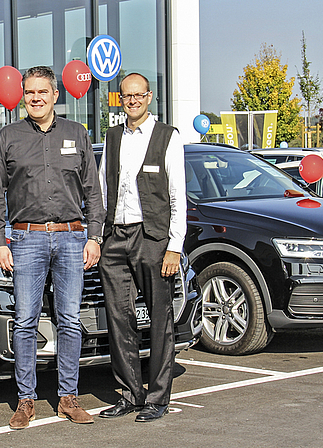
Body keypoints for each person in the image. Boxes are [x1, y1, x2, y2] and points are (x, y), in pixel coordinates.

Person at [0, 66, 105, 430]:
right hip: (25, 239)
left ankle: (68, 398)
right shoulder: (7, 137)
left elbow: (93, 192)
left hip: (71, 238)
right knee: (25, 322)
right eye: (30, 92)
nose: (36, 97)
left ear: (56, 95)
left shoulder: (77, 133)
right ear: (23, 96)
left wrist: (94, 236)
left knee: (69, 320)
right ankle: (26, 400)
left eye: (43, 91)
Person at [97, 73, 186, 423]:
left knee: (160, 318)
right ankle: (130, 393)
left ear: (149, 97)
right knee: (120, 318)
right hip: (115, 238)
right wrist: (100, 235)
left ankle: (157, 397)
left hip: (153, 238)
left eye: (138, 95)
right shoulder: (113, 136)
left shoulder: (167, 137)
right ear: (120, 100)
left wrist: (174, 247)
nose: (132, 101)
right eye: (126, 96)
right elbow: (104, 190)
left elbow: (178, 197)